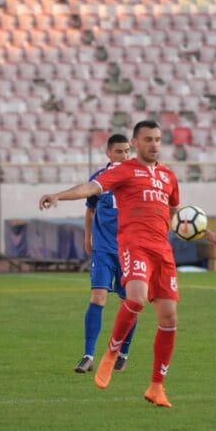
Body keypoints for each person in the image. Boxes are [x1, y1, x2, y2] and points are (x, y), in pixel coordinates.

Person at [40, 120, 216, 408]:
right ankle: (111, 353)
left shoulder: (168, 176)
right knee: (136, 299)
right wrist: (58, 196)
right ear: (136, 143)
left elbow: (176, 215)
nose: (154, 144)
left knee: (169, 318)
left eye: (157, 139)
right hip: (134, 245)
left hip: (162, 251)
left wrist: (207, 232)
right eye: (148, 139)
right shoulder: (123, 171)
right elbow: (91, 187)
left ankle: (156, 387)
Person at [75, 134, 137, 374]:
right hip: (103, 249)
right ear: (108, 153)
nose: (124, 155)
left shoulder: (135, 178)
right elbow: (90, 211)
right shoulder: (99, 180)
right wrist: (87, 237)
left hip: (129, 251)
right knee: (98, 297)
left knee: (129, 303)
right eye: (119, 151)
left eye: (127, 151)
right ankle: (88, 355)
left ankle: (123, 353)